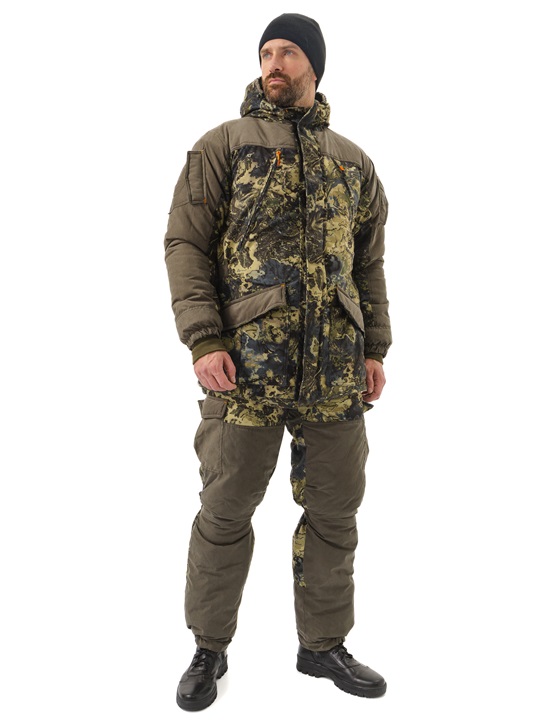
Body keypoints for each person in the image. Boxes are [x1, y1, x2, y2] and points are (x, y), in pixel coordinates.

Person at [164, 13, 392, 712]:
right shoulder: (223, 145)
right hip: (246, 369)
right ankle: (209, 647)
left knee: (335, 513)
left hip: (334, 372)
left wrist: (374, 347)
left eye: (288, 52)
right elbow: (185, 246)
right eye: (266, 51)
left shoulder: (353, 163)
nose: (273, 62)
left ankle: (322, 646)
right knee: (225, 510)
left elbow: (368, 264)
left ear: (313, 66)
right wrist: (204, 340)